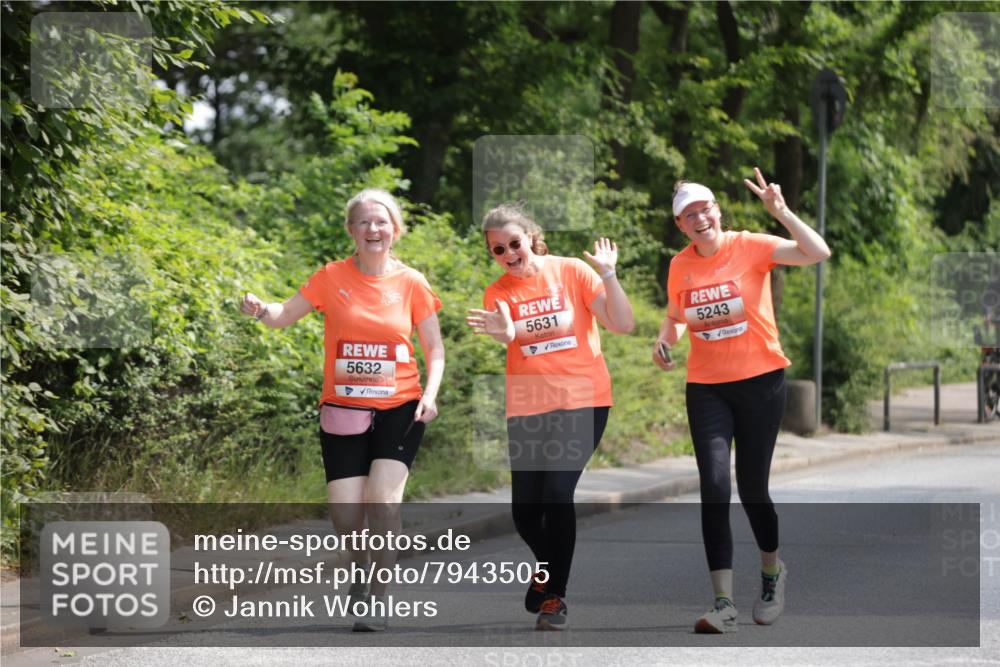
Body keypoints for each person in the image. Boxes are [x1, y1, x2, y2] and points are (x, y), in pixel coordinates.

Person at [240, 188, 444, 632]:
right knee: (345, 514)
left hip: (400, 407)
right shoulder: (331, 277)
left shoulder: (412, 282)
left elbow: (435, 349)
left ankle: (379, 598)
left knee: (384, 502)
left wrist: (429, 394)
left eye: (382, 221)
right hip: (343, 408)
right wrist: (261, 310)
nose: (374, 229)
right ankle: (359, 569)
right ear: (352, 230)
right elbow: (282, 315)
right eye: (365, 222)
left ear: (396, 230)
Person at [653, 168, 831, 633]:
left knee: (753, 491)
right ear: (680, 225)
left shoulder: (749, 244)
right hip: (706, 387)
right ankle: (723, 603)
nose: (699, 218)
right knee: (714, 488)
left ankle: (772, 573)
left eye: (704, 209)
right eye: (688, 215)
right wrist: (664, 339)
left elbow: (818, 252)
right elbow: (676, 316)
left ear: (718, 211)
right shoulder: (679, 265)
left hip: (761, 383)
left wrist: (782, 213)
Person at [465, 203, 634, 631]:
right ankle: (547, 570)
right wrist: (504, 333)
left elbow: (623, 323)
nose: (509, 254)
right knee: (525, 513)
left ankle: (555, 594)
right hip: (527, 405)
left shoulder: (572, 271)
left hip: (583, 398)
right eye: (498, 250)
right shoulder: (498, 292)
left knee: (558, 493)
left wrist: (609, 274)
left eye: (515, 244)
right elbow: (506, 332)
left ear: (531, 238)